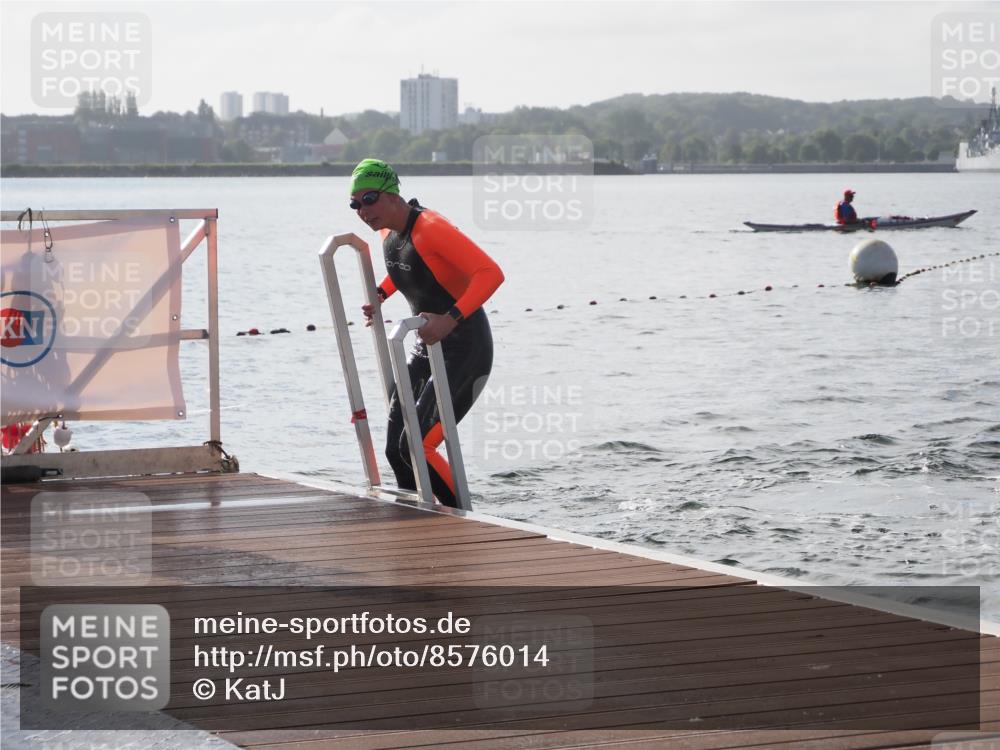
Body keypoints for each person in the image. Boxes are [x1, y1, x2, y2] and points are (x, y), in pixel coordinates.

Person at [351, 158, 504, 508]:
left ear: (391, 193)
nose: (362, 210)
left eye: (369, 199)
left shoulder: (431, 227)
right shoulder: (389, 232)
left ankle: (463, 519)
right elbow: (413, 269)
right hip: (427, 345)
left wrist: (449, 319)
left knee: (417, 444)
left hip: (466, 347)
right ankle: (416, 517)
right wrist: (381, 294)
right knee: (395, 448)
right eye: (355, 203)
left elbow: (490, 273)